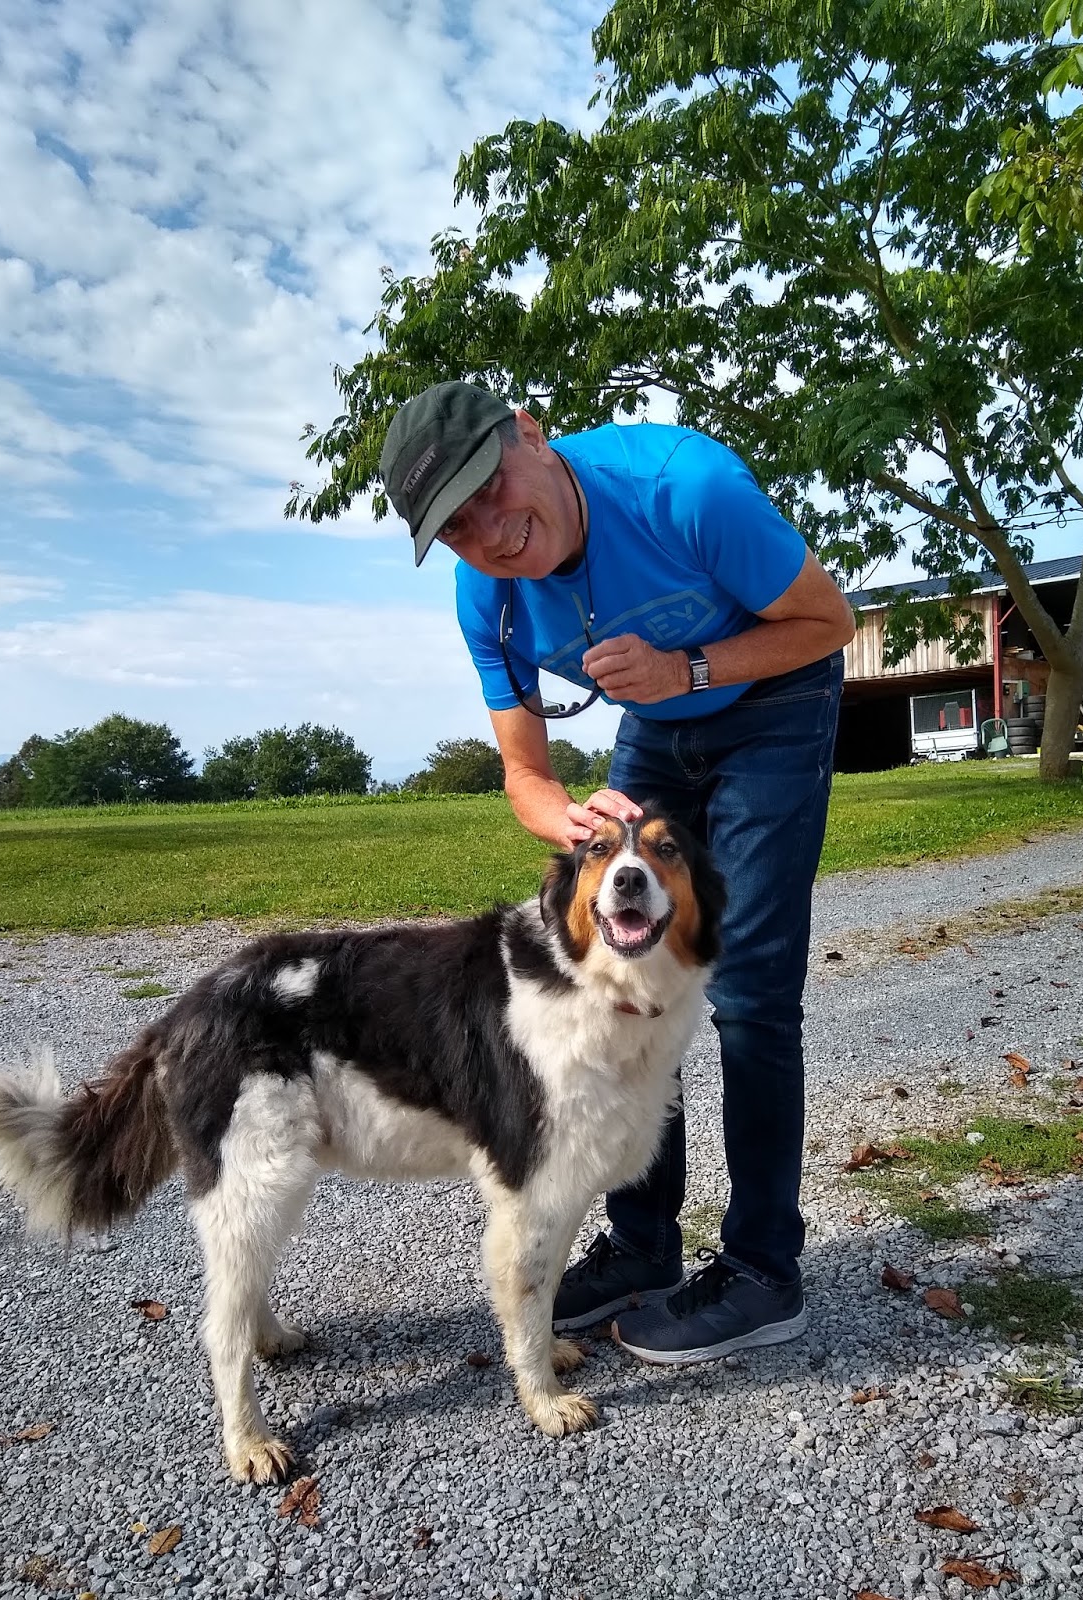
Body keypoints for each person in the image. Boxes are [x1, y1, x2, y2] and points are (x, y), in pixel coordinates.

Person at [379, 381, 855, 1362]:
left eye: (487, 486)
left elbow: (828, 622)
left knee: (750, 991)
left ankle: (764, 1271)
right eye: (456, 526)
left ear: (529, 432)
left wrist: (686, 671)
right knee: (624, 976)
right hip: (658, 722)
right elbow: (525, 774)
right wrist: (568, 819)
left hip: (774, 701)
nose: (491, 532)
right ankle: (643, 1246)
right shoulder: (486, 597)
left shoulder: (685, 490)